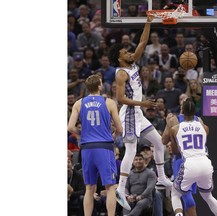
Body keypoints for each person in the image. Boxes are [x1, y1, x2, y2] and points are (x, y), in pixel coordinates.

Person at [108, 14, 172, 211]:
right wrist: (143, 103)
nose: (129, 53)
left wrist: (148, 22)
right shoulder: (121, 73)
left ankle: (161, 177)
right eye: (125, 52)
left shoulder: (133, 62)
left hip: (138, 114)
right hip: (129, 113)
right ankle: (120, 189)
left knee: (159, 142)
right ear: (119, 57)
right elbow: (120, 99)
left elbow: (143, 41)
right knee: (130, 150)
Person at [68, 74, 123, 216]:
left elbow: (70, 127)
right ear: (100, 86)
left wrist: (81, 133)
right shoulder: (108, 102)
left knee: (89, 188)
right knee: (110, 187)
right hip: (104, 147)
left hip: (87, 148)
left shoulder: (79, 103)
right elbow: (120, 129)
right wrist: (114, 136)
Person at [169, 99, 217, 216]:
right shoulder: (205, 127)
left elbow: (175, 150)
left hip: (189, 164)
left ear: (182, 110)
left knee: (175, 193)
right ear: (195, 112)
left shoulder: (175, 129)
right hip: (205, 163)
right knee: (208, 196)